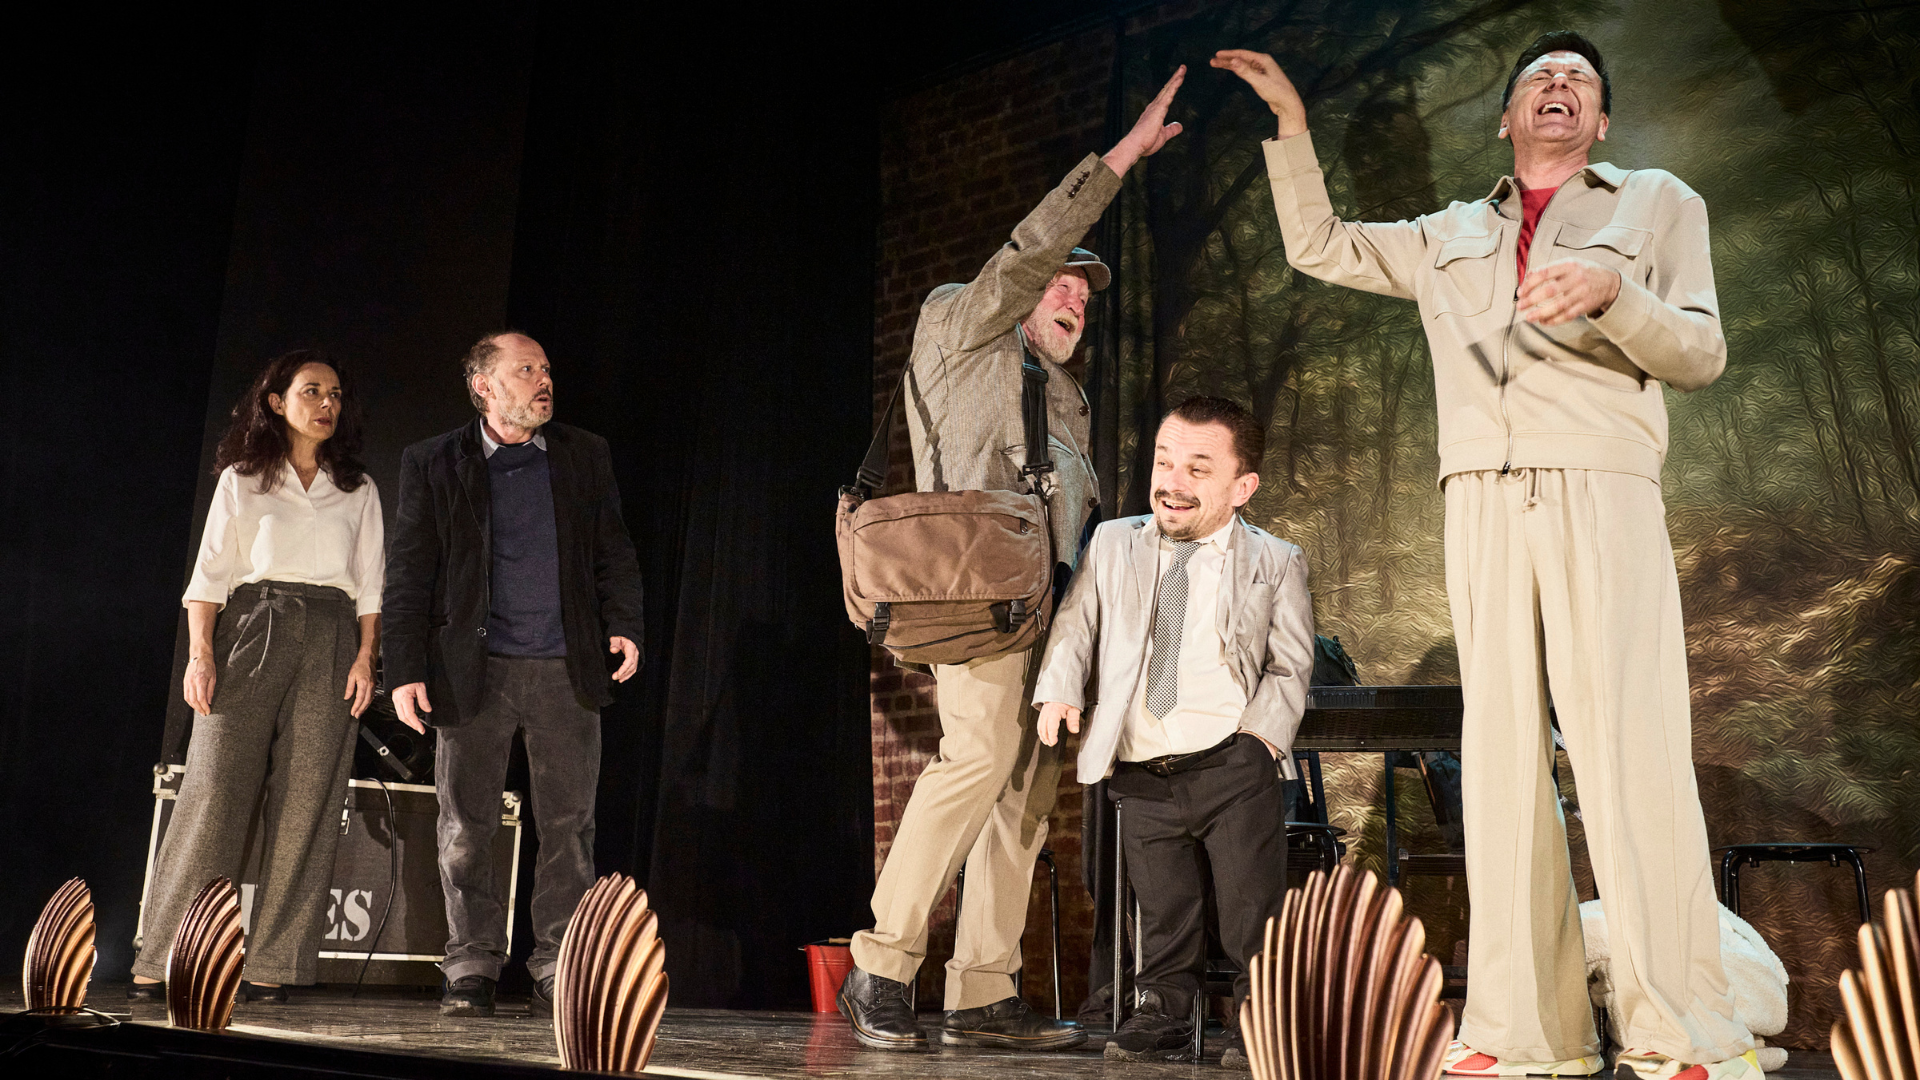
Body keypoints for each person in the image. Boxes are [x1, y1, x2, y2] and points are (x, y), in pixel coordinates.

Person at [1214, 30, 1759, 1080]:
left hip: (1601, 482)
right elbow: (1320, 244)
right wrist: (1290, 125)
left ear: (1600, 121)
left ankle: (1680, 1027)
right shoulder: (1450, 233)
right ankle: (1523, 1031)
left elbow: (1701, 351)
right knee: (1502, 759)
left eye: (1581, 80)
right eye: (1539, 77)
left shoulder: (1657, 202)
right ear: (1507, 119)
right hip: (1480, 495)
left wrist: (1614, 294)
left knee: (1629, 750)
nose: (1560, 84)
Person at [836, 66, 1190, 1052]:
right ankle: (879, 966)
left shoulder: (1066, 395)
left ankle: (982, 991)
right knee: (978, 756)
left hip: (1050, 608)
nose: (1073, 297)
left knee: (1028, 790)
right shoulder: (963, 325)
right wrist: (1121, 158)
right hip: (976, 589)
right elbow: (1030, 249)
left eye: (1084, 293)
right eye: (1061, 283)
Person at [1034, 396, 1314, 1067]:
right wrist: (1060, 687)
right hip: (1143, 768)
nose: (1173, 482)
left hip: (1232, 765)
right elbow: (1076, 624)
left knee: (1250, 912)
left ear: (1242, 486)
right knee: (1163, 911)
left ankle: (1259, 1024)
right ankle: (1163, 1012)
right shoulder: (1114, 543)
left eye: (1198, 468)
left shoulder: (1274, 559)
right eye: (1164, 462)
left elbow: (1291, 662)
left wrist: (1260, 744)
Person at [383, 331, 644, 1018]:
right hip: (473, 671)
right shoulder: (434, 461)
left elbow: (614, 550)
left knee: (569, 827)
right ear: (484, 386)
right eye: (525, 369)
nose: (543, 380)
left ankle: (557, 963)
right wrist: (403, 669)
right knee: (466, 825)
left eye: (546, 369)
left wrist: (625, 622)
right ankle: (471, 963)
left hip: (565, 667)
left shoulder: (584, 455)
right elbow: (409, 571)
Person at [133, 350, 383, 1003]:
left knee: (308, 799)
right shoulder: (243, 479)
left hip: (332, 632)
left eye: (335, 393)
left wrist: (365, 656)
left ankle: (275, 963)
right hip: (254, 621)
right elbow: (209, 577)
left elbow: (371, 587)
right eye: (311, 391)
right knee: (214, 788)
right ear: (277, 401)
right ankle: (165, 955)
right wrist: (201, 654)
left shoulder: (357, 488)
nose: (326, 403)